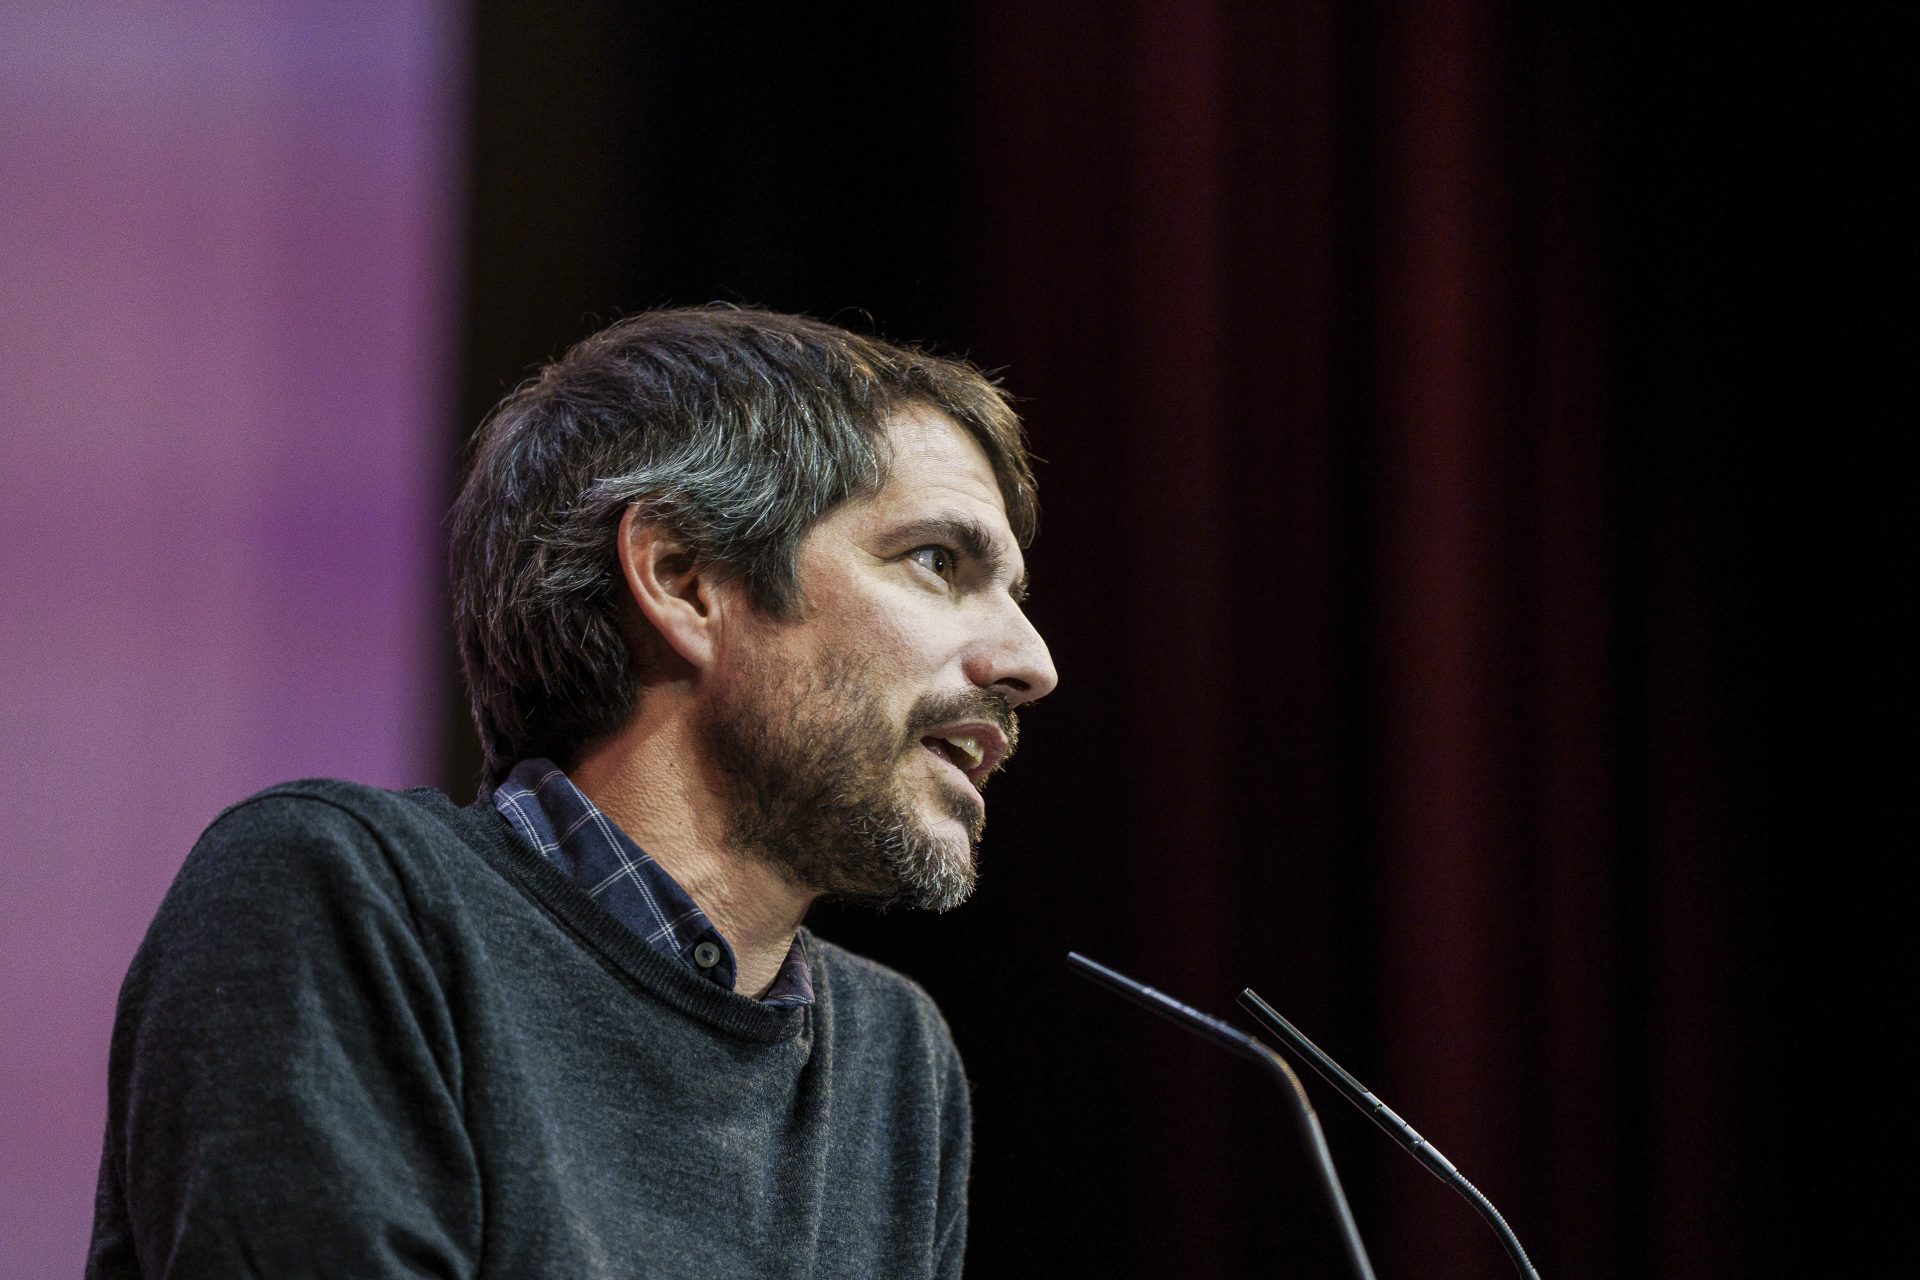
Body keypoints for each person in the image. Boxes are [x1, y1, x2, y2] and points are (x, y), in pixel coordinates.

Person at [86, 307, 1058, 1279]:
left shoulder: (894, 1062)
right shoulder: (348, 900)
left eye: (1016, 595)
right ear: (683, 577)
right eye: (938, 561)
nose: (1030, 661)